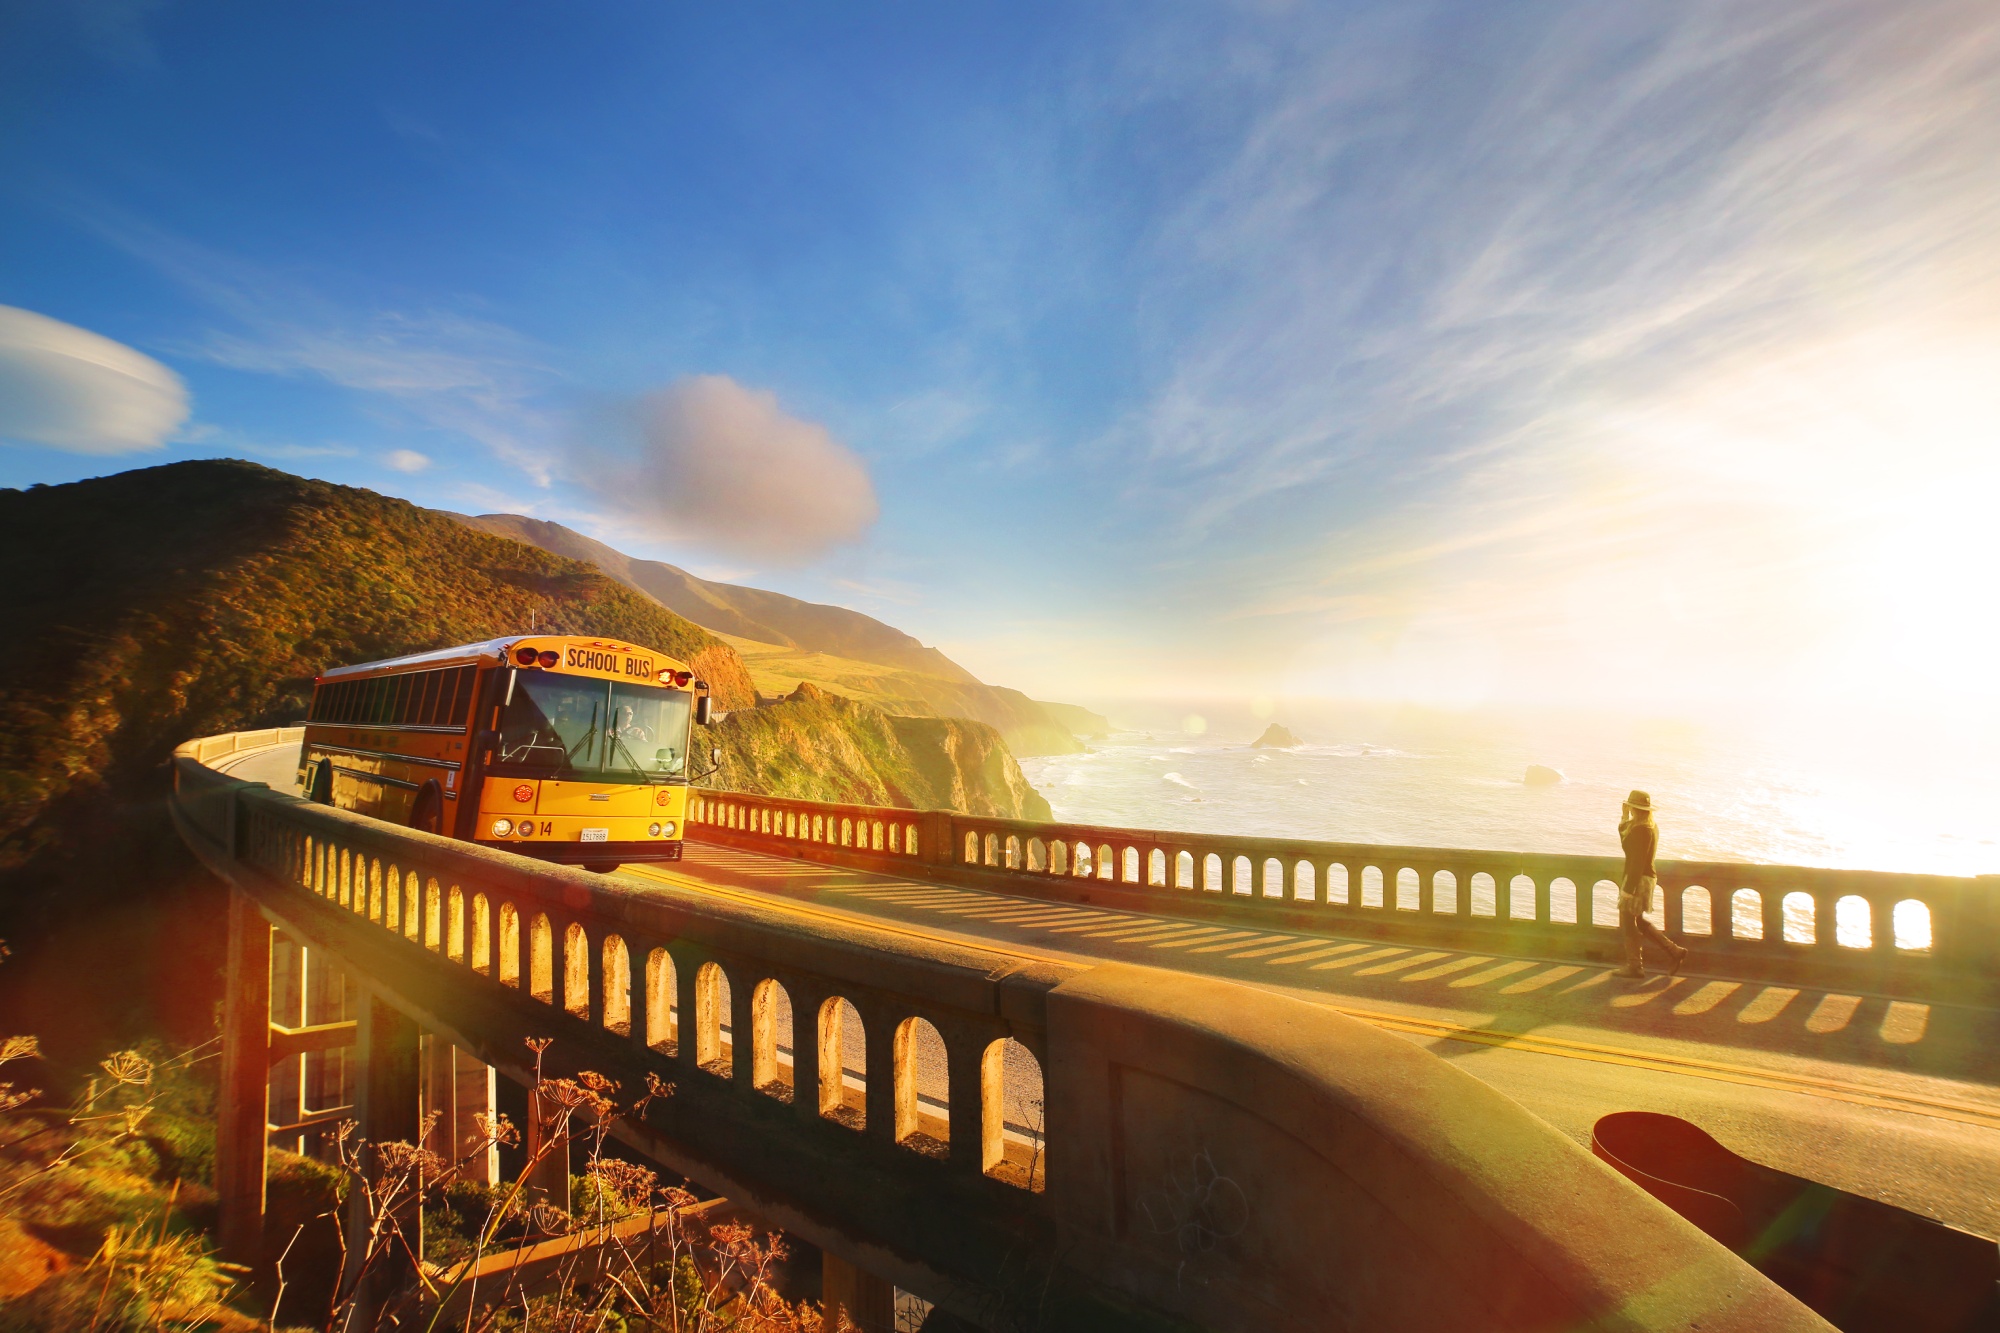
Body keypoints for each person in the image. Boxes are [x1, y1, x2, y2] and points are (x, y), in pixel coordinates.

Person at [1615, 790, 1688, 980]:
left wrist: (1628, 890)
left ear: (1634, 808)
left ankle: (1635, 966)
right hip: (1643, 878)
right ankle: (1674, 951)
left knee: (1628, 920)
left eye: (1630, 807)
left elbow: (1636, 861)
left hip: (1638, 879)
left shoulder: (1641, 830)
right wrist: (1624, 817)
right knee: (1636, 920)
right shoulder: (1648, 826)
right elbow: (1625, 839)